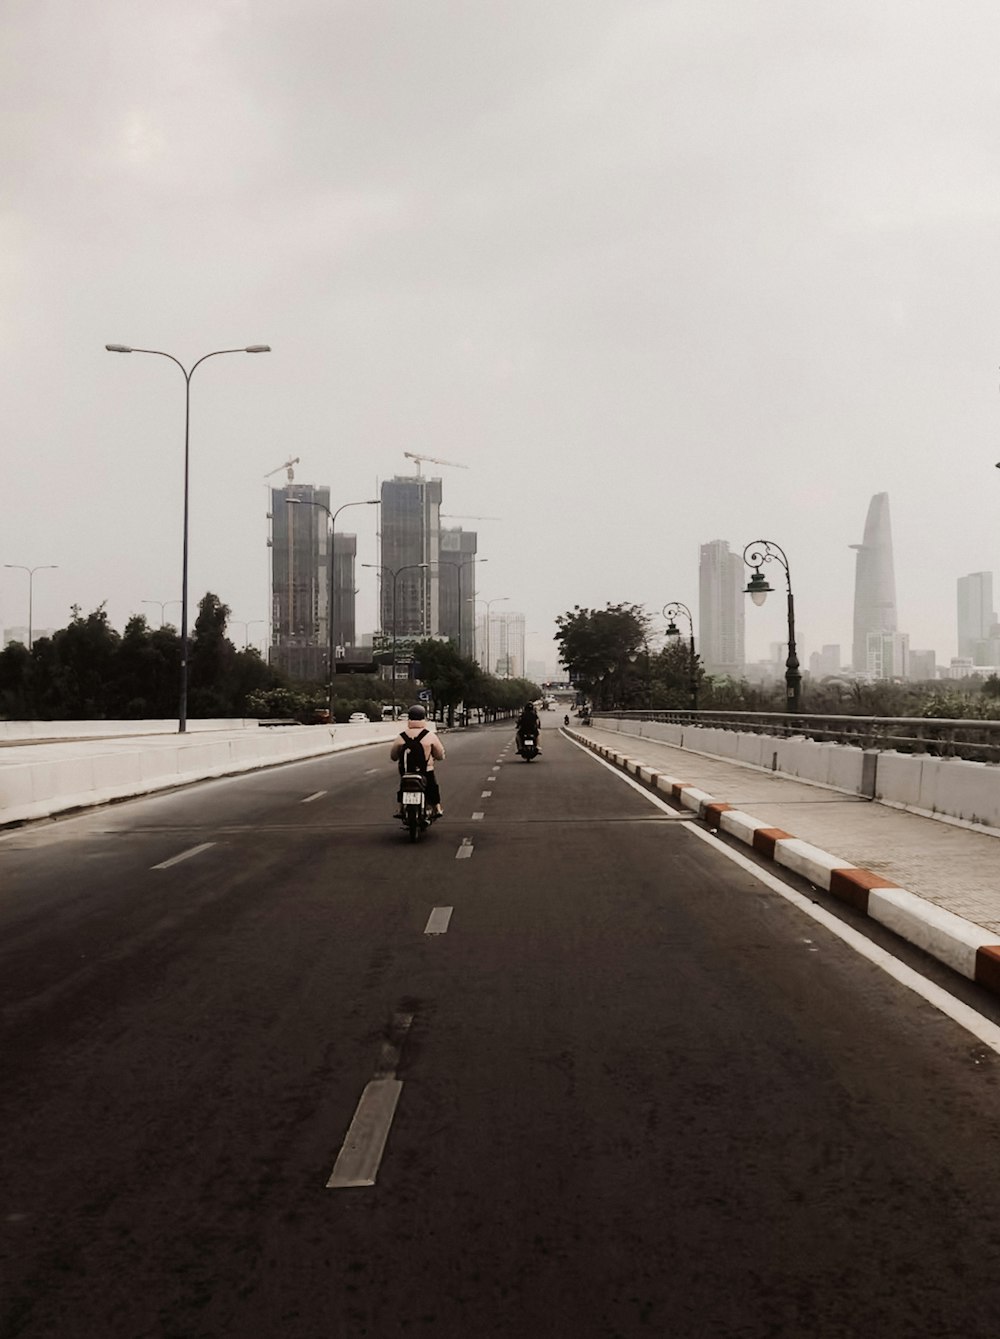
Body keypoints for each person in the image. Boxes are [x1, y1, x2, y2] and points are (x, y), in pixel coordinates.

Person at [391, 705, 445, 817]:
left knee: (403, 786)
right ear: (423, 718)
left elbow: (393, 756)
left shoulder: (402, 736)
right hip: (425, 770)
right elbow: (440, 755)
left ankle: (401, 808)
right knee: (432, 786)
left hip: (406, 771)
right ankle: (437, 808)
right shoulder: (429, 735)